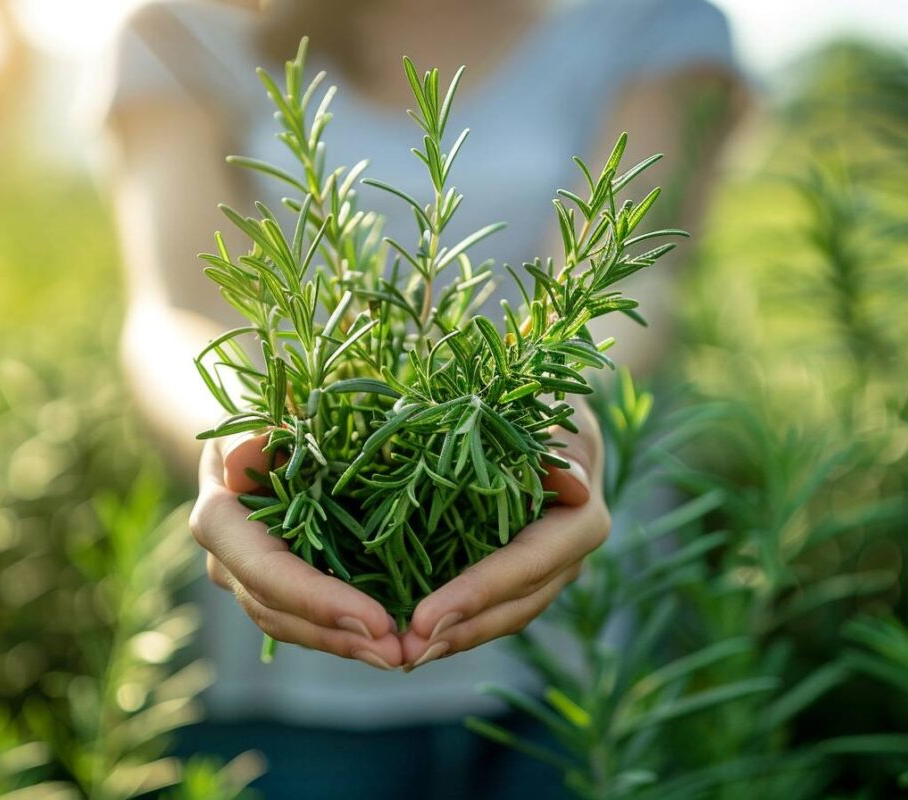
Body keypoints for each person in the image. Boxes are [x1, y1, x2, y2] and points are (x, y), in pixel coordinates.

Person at [83, 0, 744, 796]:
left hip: (584, 649)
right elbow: (174, 309)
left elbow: (632, 278)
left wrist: (548, 412)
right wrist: (243, 433)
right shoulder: (185, 30)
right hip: (296, 641)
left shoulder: (657, 23)